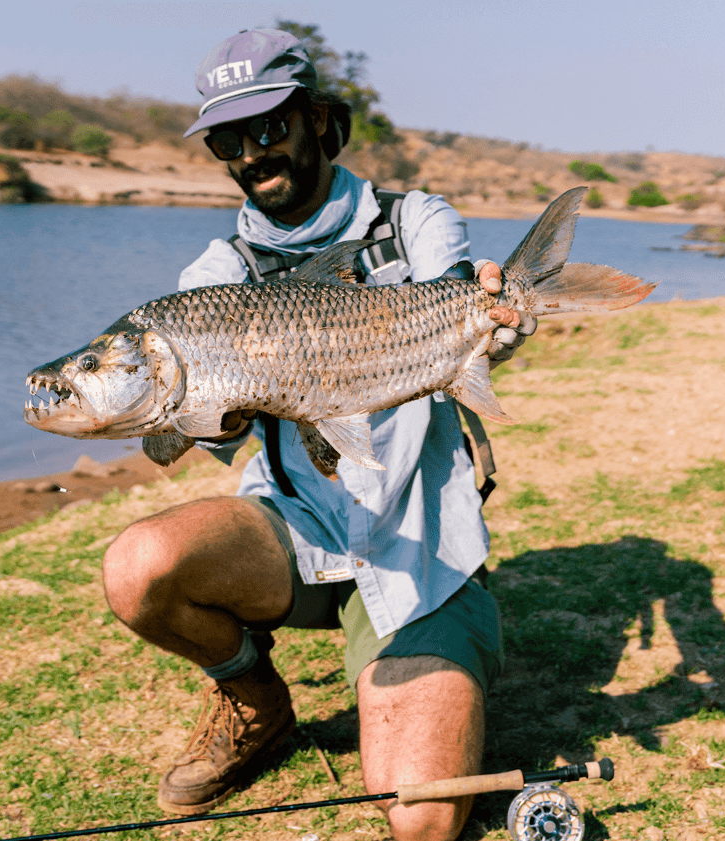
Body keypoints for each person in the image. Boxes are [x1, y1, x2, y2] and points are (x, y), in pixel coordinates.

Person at [101, 28, 535, 841]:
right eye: (230, 139)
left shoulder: (416, 223)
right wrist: (194, 419)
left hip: (417, 544)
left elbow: (462, 306)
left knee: (423, 820)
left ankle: (449, 634)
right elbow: (190, 439)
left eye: (270, 127)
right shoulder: (213, 277)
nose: (253, 152)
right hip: (292, 535)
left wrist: (498, 323)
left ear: (322, 126)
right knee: (137, 567)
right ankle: (257, 704)